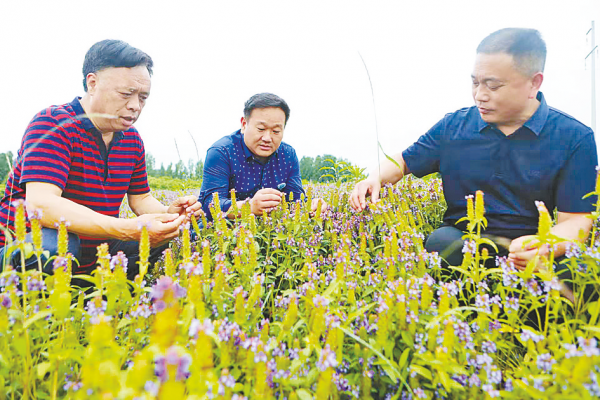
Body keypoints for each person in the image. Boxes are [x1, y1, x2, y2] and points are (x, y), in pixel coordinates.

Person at [350, 28, 597, 296]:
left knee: (581, 271)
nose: (480, 95)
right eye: (475, 83)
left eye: (493, 86)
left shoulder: (574, 137)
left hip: (531, 245)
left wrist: (546, 245)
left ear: (533, 83)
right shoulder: (454, 126)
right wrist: (374, 176)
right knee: (442, 243)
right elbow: (405, 161)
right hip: (465, 241)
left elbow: (577, 221)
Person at [0, 39, 202, 280]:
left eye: (143, 97)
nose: (135, 106)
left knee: (161, 237)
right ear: (92, 83)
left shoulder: (132, 140)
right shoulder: (54, 123)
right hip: (25, 246)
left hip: (95, 247)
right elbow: (41, 205)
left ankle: (96, 295)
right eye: (126, 94)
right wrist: (128, 229)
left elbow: (140, 199)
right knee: (57, 246)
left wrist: (169, 214)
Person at [198, 93, 326, 220]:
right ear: (244, 124)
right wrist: (249, 207)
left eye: (276, 131)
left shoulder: (288, 155)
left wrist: (312, 205)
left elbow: (295, 200)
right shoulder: (222, 152)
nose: (267, 138)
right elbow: (209, 206)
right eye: (260, 129)